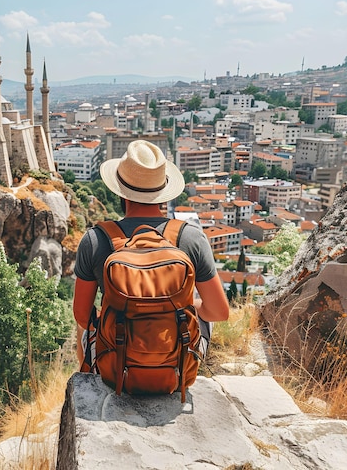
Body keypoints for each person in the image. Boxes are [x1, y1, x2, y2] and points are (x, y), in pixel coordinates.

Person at [73, 140, 230, 366]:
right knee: (202, 316)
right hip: (175, 366)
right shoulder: (192, 238)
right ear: (163, 193)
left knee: (81, 329)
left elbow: (83, 316)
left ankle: (90, 375)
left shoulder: (95, 240)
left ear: (122, 193)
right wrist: (184, 307)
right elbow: (218, 312)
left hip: (116, 365)